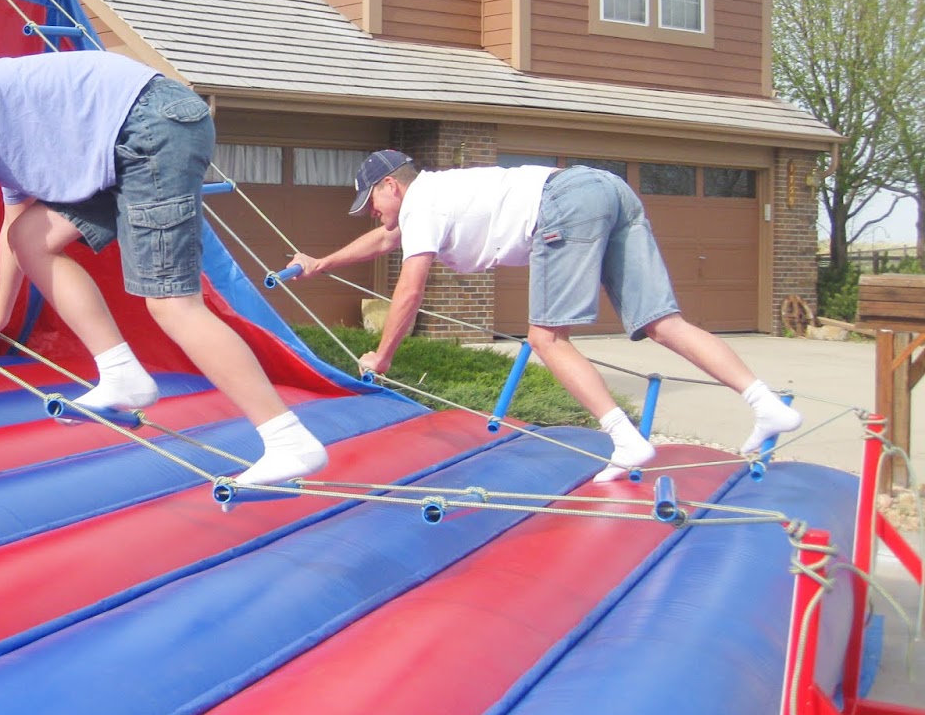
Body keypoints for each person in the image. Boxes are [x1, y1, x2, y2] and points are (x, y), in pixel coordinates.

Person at [0, 13, 328, 488]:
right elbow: (15, 226)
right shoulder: (3, 102)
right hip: (137, 133)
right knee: (31, 236)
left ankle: (287, 436)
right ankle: (120, 371)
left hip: (148, 126)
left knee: (173, 306)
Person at [288, 150, 801, 482]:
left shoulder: (421, 202)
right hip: (607, 188)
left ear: (390, 187)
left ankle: (626, 440)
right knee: (662, 321)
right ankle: (765, 403)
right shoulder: (435, 195)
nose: (372, 213)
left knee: (545, 337)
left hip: (563, 202)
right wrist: (323, 263)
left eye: (371, 201)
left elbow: (409, 288)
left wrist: (382, 355)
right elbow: (385, 239)